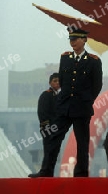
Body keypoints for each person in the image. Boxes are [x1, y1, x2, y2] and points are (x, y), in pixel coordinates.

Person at [30, 27, 103, 177]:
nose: (72, 42)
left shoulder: (93, 61)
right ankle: (46, 170)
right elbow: (63, 82)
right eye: (70, 39)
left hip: (82, 107)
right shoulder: (65, 58)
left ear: (84, 40)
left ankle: (81, 173)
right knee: (53, 138)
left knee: (82, 142)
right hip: (64, 107)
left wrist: (86, 100)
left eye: (75, 39)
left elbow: (97, 85)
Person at [28, 73, 60, 178]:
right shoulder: (46, 94)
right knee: (48, 150)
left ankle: (49, 173)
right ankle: (44, 171)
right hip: (48, 127)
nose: (57, 83)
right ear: (50, 82)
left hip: (57, 129)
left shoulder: (60, 96)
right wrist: (47, 127)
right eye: (55, 80)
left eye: (59, 81)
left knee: (54, 152)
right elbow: (42, 112)